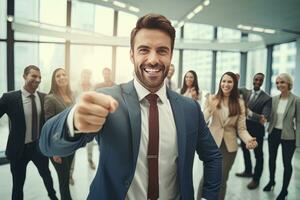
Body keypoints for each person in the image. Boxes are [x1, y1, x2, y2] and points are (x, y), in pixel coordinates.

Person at [39, 14, 222, 200]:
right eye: (144, 50)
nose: (153, 59)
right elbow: (47, 144)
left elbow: (213, 156)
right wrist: (73, 120)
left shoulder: (189, 108)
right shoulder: (108, 99)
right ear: (132, 55)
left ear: (171, 56)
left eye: (162, 51)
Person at [0, 65, 58, 200]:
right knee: (18, 185)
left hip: (38, 148)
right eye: (34, 76)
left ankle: (53, 197)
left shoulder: (45, 97)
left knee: (47, 176)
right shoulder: (9, 98)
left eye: (40, 77)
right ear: (25, 76)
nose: (37, 79)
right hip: (19, 150)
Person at [198, 72, 257, 200]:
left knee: (222, 179)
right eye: (223, 81)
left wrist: (248, 140)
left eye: (229, 82)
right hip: (212, 143)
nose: (226, 84)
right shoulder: (212, 98)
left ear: (234, 84)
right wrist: (209, 109)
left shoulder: (240, 103)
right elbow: (202, 121)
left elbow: (241, 129)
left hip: (229, 147)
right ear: (220, 83)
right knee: (207, 177)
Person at [263, 73, 300, 200]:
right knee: (271, 159)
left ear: (289, 83)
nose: (279, 85)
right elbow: (270, 117)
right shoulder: (274, 99)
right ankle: (271, 181)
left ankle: (284, 190)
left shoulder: (296, 100)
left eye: (282, 82)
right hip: (274, 133)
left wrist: (298, 141)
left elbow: (299, 122)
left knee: (286, 164)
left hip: (288, 136)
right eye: (277, 83)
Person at [235, 73, 272, 190]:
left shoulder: (267, 98)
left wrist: (249, 113)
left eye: (260, 80)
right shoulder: (245, 92)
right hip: (244, 129)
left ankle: (256, 179)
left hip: (257, 131)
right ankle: (247, 171)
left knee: (258, 155)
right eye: (256, 79)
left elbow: (264, 118)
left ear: (262, 82)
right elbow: (233, 90)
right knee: (245, 151)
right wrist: (235, 80)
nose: (257, 81)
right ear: (253, 79)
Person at [44, 68, 76, 200]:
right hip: (58, 147)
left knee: (67, 176)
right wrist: (54, 151)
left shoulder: (72, 95)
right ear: (54, 80)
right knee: (63, 181)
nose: (62, 77)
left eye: (64, 74)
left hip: (70, 144)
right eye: (58, 76)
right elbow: (48, 126)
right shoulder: (50, 98)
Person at [79, 69, 96, 170]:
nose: (86, 78)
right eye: (84, 76)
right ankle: (70, 172)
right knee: (73, 142)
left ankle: (90, 160)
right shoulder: (75, 88)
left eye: (88, 76)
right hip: (78, 117)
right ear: (82, 76)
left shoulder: (94, 88)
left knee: (90, 141)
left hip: (90, 118)